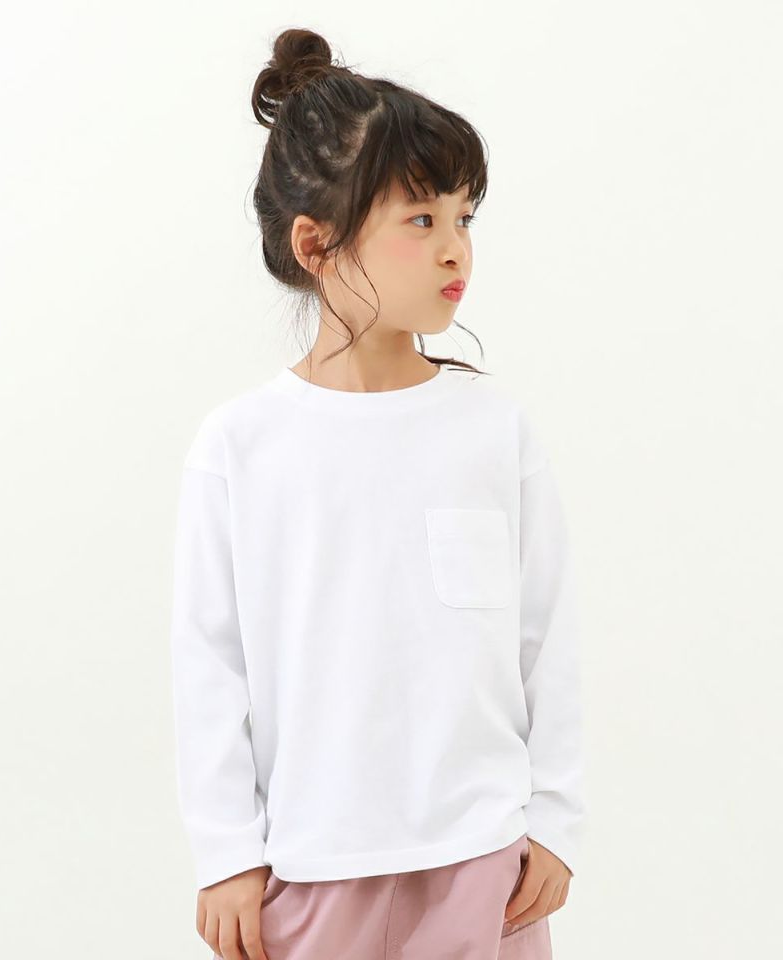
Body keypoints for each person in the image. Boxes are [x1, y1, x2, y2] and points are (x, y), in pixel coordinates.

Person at [170, 27, 586, 960]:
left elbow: (545, 635)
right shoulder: (241, 448)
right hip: (310, 868)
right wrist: (226, 853)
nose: (455, 249)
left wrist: (556, 817)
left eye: (464, 217)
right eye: (421, 220)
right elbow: (210, 665)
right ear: (316, 244)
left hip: (485, 864)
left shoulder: (493, 432)